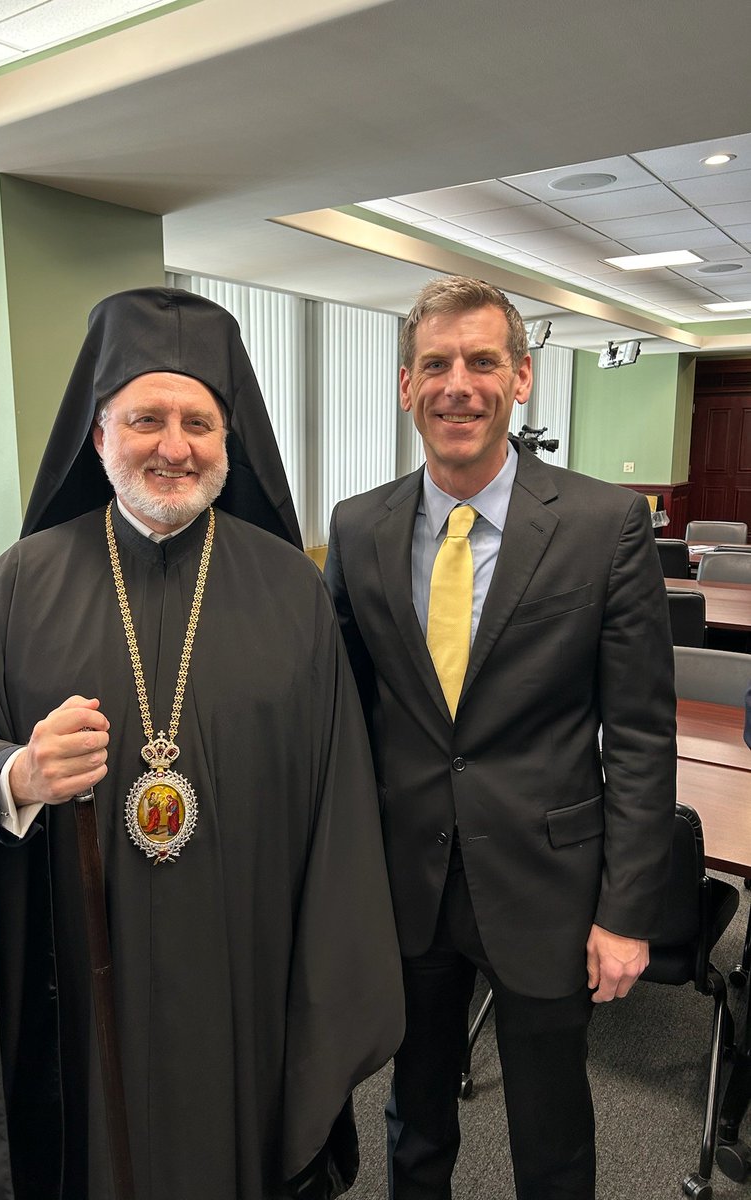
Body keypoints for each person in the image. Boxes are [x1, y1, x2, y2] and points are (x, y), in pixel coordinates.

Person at [0, 288, 404, 1200]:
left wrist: (327, 991)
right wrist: (12, 773)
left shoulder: (293, 591)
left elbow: (340, 802)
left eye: (198, 423)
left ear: (228, 441)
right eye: (146, 419)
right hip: (84, 976)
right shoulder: (15, 587)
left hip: (248, 967)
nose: (174, 445)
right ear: (98, 436)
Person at [324, 276, 676, 1199]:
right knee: (415, 1116)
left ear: (522, 379)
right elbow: (342, 715)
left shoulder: (606, 526)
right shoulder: (357, 529)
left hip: (550, 885)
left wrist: (627, 911)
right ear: (405, 386)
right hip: (407, 880)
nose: (458, 385)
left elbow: (639, 734)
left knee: (551, 1132)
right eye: (435, 364)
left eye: (483, 361)